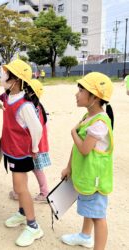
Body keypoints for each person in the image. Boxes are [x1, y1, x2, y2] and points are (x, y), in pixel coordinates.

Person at [61, 72, 114, 250]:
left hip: (96, 179)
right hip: (87, 176)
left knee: (98, 216)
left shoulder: (100, 123)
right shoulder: (88, 117)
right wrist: (69, 167)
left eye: (81, 90)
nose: (77, 94)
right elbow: (77, 148)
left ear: (94, 97)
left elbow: (84, 149)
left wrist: (73, 132)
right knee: (91, 210)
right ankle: (84, 236)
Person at [0, 59, 44, 247]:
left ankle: (33, 226)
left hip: (21, 152)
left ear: (15, 80)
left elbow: (37, 129)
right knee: (18, 184)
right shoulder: (9, 96)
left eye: (6, 73)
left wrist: (34, 149)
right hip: (10, 149)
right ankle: (22, 212)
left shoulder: (24, 104)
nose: (2, 76)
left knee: (20, 188)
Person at [9, 79, 51, 202]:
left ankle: (44, 192)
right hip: (35, 144)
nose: (24, 92)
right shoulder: (37, 106)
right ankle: (19, 191)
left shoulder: (31, 108)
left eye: (27, 90)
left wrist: (34, 147)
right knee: (28, 168)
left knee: (34, 169)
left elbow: (36, 129)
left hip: (34, 145)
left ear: (32, 93)